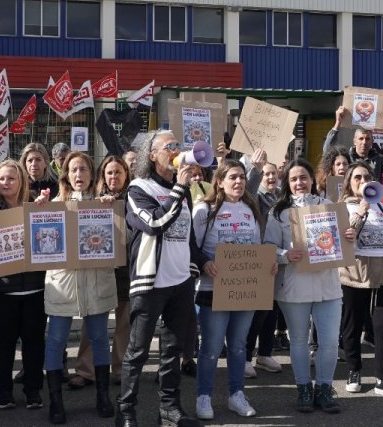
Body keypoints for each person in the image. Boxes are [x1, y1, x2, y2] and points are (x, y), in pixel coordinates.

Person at [117, 131, 201, 427]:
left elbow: (187, 235)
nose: (177, 150)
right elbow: (154, 224)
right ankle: (126, 411)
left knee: (172, 351)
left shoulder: (184, 189)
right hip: (151, 284)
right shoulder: (138, 188)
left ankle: (169, 409)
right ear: (152, 155)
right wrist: (179, 187)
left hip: (180, 282)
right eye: (170, 147)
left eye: (178, 145)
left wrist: (198, 264)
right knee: (138, 351)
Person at [264, 158, 352, 414]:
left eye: (303, 177)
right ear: (287, 183)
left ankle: (324, 388)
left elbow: (344, 246)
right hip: (294, 286)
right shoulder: (278, 211)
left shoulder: (330, 207)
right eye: (293, 179)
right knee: (299, 341)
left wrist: (348, 237)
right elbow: (269, 246)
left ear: (313, 180)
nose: (299, 183)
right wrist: (283, 254)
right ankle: (303, 388)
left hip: (327, 285)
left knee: (329, 343)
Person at [191, 159, 271, 420]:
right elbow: (190, 246)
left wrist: (268, 266)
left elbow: (257, 248)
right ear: (220, 181)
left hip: (245, 289)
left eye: (242, 178)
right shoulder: (204, 210)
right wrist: (205, 262)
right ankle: (204, 397)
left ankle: (237, 394)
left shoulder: (251, 209)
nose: (238, 182)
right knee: (211, 348)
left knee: (238, 346)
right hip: (212, 288)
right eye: (233, 177)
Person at [44, 151, 117, 424]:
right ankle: (56, 402)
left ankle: (102, 396)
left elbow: (123, 242)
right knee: (56, 340)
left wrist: (113, 211)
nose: (78, 175)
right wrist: (39, 209)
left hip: (97, 283)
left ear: (92, 173)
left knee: (99, 339)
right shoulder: (54, 204)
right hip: (62, 285)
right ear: (65, 175)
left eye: (83, 169)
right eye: (73, 170)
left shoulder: (105, 203)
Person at [0, 160, 48, 410]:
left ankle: (33, 390)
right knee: (4, 342)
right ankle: (3, 391)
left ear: (21, 180)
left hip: (36, 286)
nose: (6, 183)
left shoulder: (35, 205)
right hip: (1, 290)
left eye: (11, 178)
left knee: (34, 341)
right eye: (2, 178)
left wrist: (46, 207)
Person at [337, 161, 383, 399]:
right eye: (358, 177)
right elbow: (344, 239)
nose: (363, 181)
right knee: (352, 326)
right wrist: (360, 211)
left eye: (367, 176)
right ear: (349, 182)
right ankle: (354, 370)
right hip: (354, 275)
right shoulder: (342, 207)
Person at [72, 155, 132, 388]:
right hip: (98, 269)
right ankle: (86, 371)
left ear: (126, 175)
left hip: (126, 269)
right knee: (93, 321)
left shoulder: (135, 198)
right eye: (109, 172)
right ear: (102, 175)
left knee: (124, 322)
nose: (113, 177)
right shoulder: (92, 199)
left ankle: (119, 369)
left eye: (118, 172)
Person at [244, 151, 283, 375]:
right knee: (257, 311)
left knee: (272, 310)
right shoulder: (255, 196)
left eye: (274, 173)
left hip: (278, 258)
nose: (270, 177)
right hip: (258, 259)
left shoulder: (280, 197)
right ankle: (246, 356)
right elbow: (248, 190)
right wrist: (256, 169)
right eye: (267, 173)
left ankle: (265, 354)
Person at [322, 106, 383, 174]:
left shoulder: (379, 160)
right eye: (361, 139)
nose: (364, 142)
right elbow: (327, 151)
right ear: (354, 141)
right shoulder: (347, 159)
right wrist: (338, 123)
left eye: (367, 139)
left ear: (372, 141)